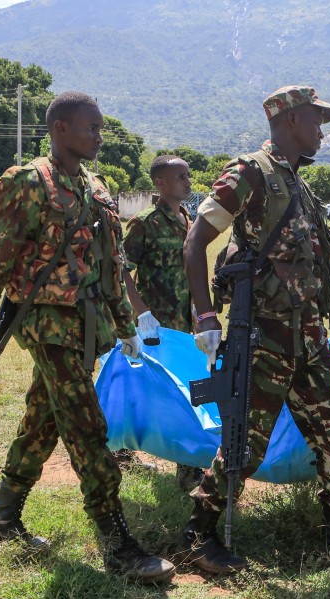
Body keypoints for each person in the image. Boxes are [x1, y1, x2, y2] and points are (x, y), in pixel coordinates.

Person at [0, 90, 174, 585]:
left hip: (87, 324)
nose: (99, 135)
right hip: (46, 322)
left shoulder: (96, 188)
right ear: (60, 129)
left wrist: (126, 328)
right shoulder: (29, 182)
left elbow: (110, 266)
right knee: (86, 426)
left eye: (100, 127)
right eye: (90, 127)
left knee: (44, 418)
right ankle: (118, 542)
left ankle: (3, 519)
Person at [176, 85, 330, 574]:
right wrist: (205, 316)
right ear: (289, 120)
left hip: (309, 338)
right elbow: (196, 239)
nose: (321, 132)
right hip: (264, 337)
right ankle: (196, 537)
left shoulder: (299, 185)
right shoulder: (250, 174)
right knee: (244, 445)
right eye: (315, 121)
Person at [118, 154, 205, 490]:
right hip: (153, 322)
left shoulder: (189, 219)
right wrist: (139, 310)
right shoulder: (145, 222)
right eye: (180, 176)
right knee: (142, 386)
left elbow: (192, 269)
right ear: (160, 182)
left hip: (182, 320)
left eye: (187, 175)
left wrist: (199, 312)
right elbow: (122, 267)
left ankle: (187, 466)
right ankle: (123, 449)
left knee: (184, 389)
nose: (187, 181)